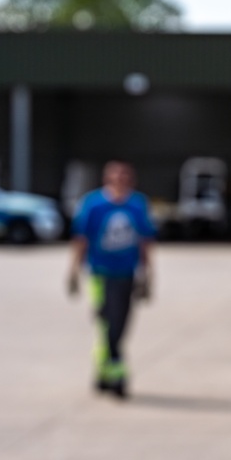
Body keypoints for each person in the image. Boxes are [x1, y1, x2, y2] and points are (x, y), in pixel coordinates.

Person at [67, 160, 156, 399]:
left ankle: (103, 371)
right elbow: (81, 239)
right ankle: (117, 374)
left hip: (126, 272)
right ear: (107, 178)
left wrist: (148, 275)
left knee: (121, 323)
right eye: (115, 175)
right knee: (107, 322)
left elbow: (145, 242)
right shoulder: (93, 204)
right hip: (100, 272)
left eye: (124, 175)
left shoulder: (137, 205)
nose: (120, 179)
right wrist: (73, 271)